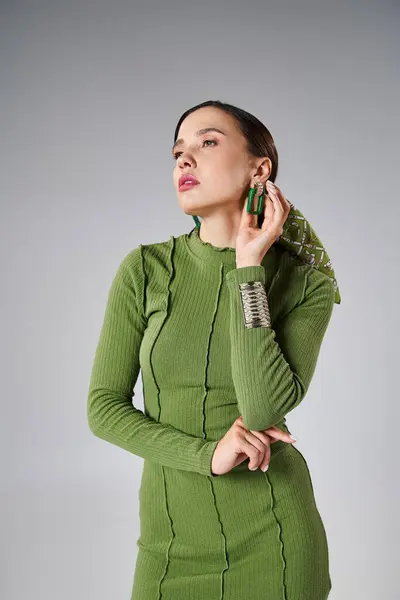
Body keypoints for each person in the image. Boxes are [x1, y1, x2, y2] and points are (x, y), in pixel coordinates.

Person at [87, 100, 339, 600]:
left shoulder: (305, 283)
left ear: (259, 169)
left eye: (206, 142)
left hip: (276, 543)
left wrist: (248, 269)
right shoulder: (146, 270)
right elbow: (103, 409)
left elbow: (263, 407)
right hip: (169, 546)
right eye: (178, 151)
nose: (184, 159)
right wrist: (207, 455)